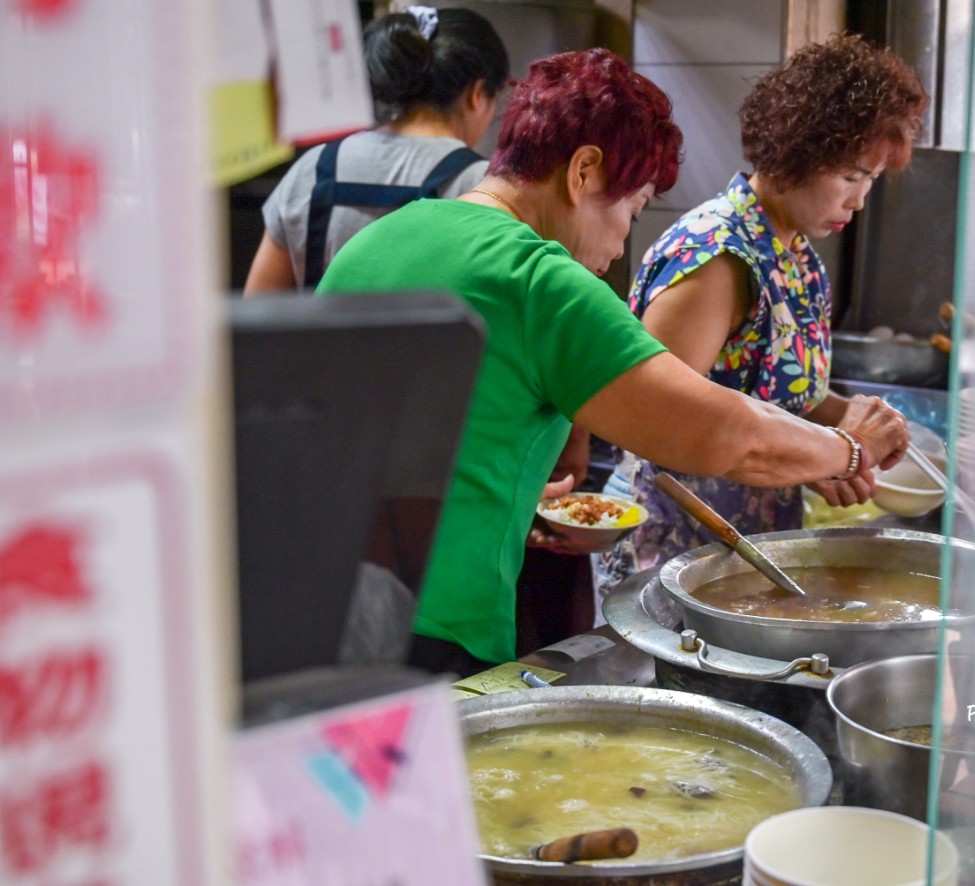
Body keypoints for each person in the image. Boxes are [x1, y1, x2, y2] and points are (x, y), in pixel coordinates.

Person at [316, 48, 911, 677]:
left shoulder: (386, 236)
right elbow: (720, 436)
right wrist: (848, 451)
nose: (623, 241)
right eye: (631, 208)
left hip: (312, 604)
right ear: (583, 172)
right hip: (432, 631)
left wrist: (508, 498)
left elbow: (392, 435)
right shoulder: (538, 279)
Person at [594, 34, 929, 601]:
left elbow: (777, 393)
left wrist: (854, 423)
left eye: (870, 181)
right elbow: (659, 422)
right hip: (676, 544)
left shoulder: (795, 253)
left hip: (746, 547)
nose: (859, 201)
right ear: (797, 152)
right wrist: (825, 454)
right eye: (850, 177)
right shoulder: (720, 256)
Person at [243, 6, 509, 293]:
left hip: (320, 340)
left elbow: (260, 304)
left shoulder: (314, 168)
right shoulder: (484, 187)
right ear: (477, 94)